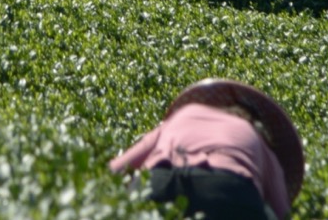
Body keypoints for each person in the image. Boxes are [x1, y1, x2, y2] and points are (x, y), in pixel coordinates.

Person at [110, 79, 305, 220]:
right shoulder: (259, 140)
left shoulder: (184, 115)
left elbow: (117, 169)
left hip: (160, 181)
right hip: (229, 192)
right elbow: (281, 211)